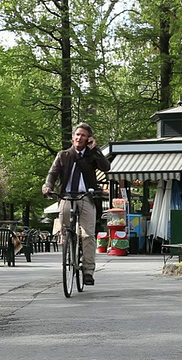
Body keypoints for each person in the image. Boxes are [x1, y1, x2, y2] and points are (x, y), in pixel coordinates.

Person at [42, 123, 111, 286]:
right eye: (77, 134)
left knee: (88, 234)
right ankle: (70, 244)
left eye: (83, 135)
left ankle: (88, 270)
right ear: (73, 137)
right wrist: (47, 186)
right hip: (66, 196)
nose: (79, 138)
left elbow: (106, 167)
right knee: (66, 230)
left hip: (86, 196)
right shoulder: (63, 155)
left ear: (89, 139)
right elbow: (52, 174)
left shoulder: (92, 155)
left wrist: (95, 149)